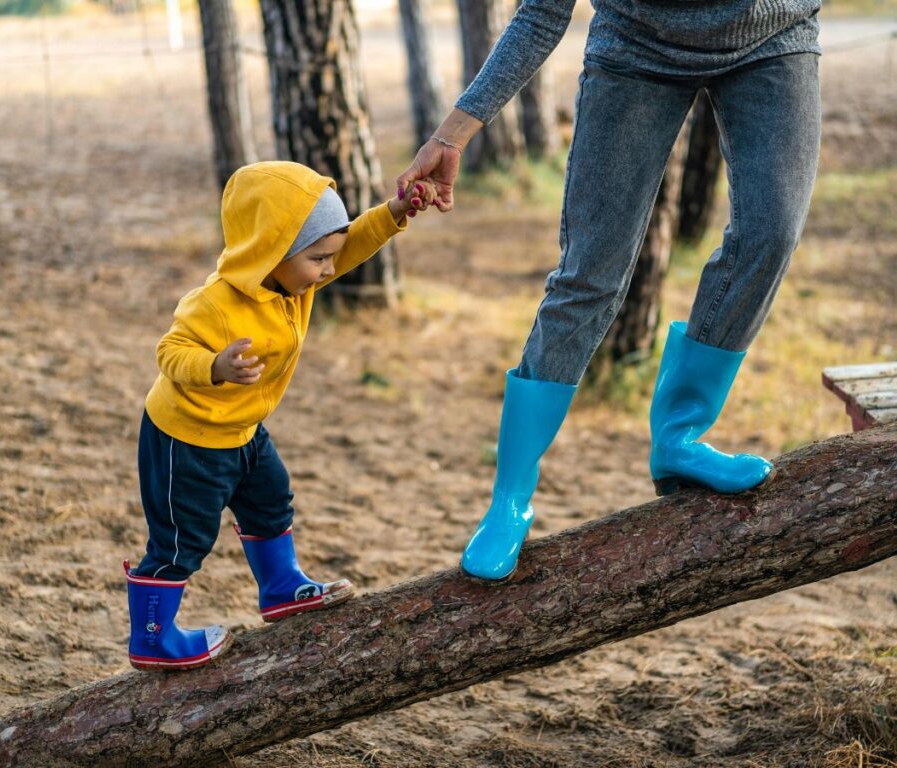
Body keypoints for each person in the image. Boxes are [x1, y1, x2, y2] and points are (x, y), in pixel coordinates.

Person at [397, 1, 822, 581]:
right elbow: (542, 12)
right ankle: (510, 500)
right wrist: (455, 132)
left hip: (774, 35)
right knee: (589, 275)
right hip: (637, 46)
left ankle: (680, 437)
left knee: (770, 236)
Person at [125, 160, 437, 670]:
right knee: (184, 539)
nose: (329, 270)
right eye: (318, 259)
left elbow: (350, 244)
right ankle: (153, 637)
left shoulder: (296, 280)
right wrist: (215, 366)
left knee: (271, 500)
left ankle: (281, 587)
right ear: (272, 251)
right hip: (189, 439)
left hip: (244, 430)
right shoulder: (216, 304)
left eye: (328, 258)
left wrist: (395, 211)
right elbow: (169, 351)